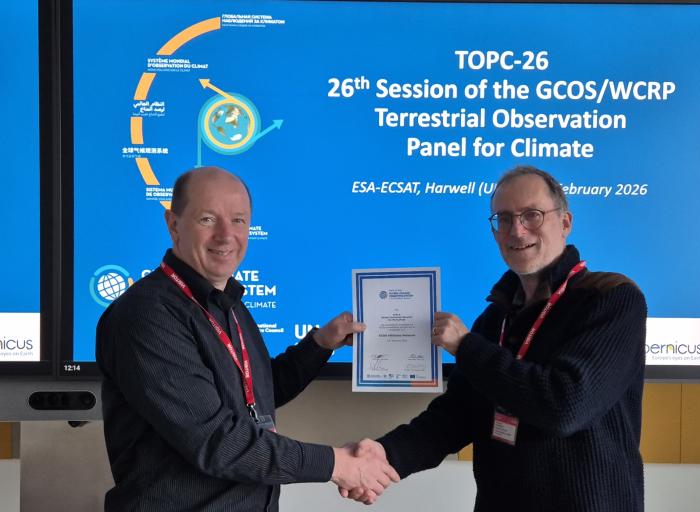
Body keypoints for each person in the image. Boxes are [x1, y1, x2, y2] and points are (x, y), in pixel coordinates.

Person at [344, 165, 647, 511]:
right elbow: (455, 416)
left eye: (531, 215)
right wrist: (384, 455)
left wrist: (466, 346)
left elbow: (565, 406)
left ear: (565, 223)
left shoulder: (611, 298)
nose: (516, 231)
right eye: (503, 219)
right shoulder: (494, 319)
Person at [97, 166, 398, 511]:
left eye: (238, 220)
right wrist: (337, 464)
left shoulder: (228, 304)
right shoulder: (147, 316)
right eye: (208, 219)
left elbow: (255, 396)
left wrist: (320, 344)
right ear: (174, 225)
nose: (226, 235)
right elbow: (218, 443)